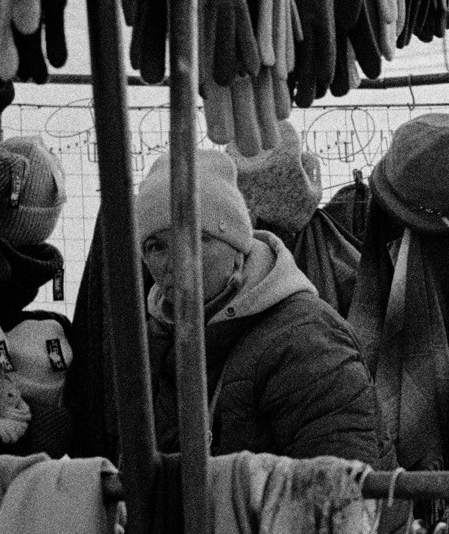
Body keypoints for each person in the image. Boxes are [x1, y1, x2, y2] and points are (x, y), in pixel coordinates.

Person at [137, 149, 384, 465]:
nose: (177, 263)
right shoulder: (154, 340)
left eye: (198, 239)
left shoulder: (305, 337)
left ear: (236, 246)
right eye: (156, 246)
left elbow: (339, 492)